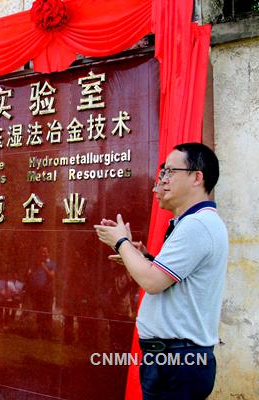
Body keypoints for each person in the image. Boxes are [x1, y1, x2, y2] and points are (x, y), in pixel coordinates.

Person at [94, 143, 228, 400]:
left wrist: (122, 242)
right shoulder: (194, 223)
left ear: (197, 177)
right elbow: (170, 278)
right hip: (173, 359)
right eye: (162, 172)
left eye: (170, 172)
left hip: (178, 361)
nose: (162, 180)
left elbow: (153, 282)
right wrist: (142, 257)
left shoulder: (197, 224)